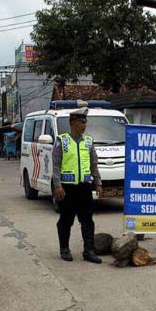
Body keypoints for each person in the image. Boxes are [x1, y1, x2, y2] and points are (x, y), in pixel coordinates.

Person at [52, 107, 104, 263]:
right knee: (66, 219)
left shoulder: (88, 141)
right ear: (73, 122)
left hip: (84, 187)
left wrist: (98, 183)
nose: (85, 125)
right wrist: (57, 185)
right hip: (67, 188)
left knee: (87, 220)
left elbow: (94, 164)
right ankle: (64, 249)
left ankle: (89, 251)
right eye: (82, 122)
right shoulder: (62, 140)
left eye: (85, 122)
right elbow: (55, 165)